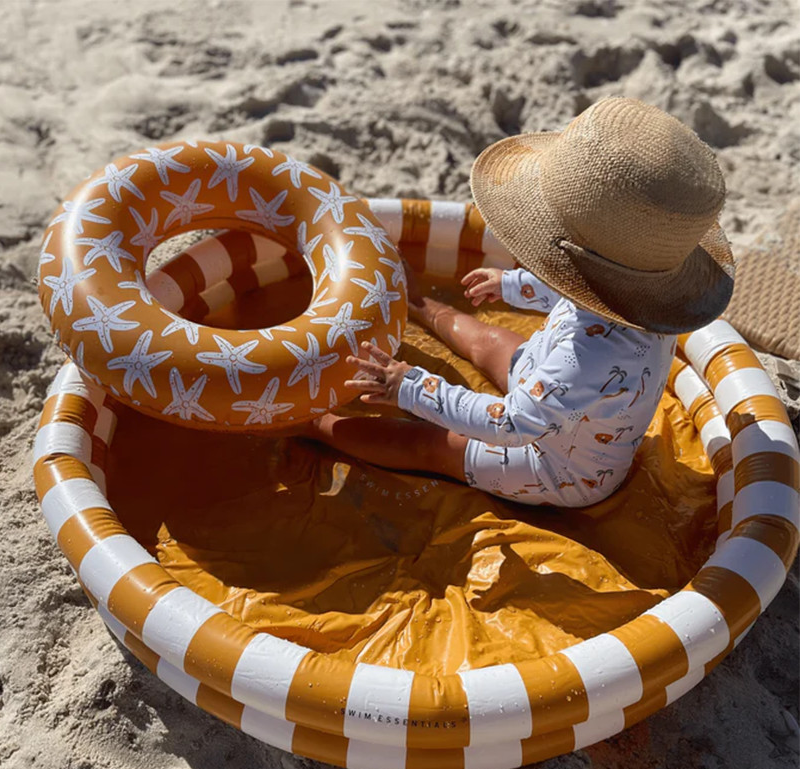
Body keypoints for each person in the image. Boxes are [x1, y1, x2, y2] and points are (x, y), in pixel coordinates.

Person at [305, 97, 735, 507]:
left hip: (553, 467)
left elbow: (508, 424)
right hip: (559, 395)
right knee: (491, 340)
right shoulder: (642, 293)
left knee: (431, 444)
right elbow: (574, 289)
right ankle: (418, 305)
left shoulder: (584, 359)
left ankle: (315, 426)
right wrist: (511, 286)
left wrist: (410, 387)